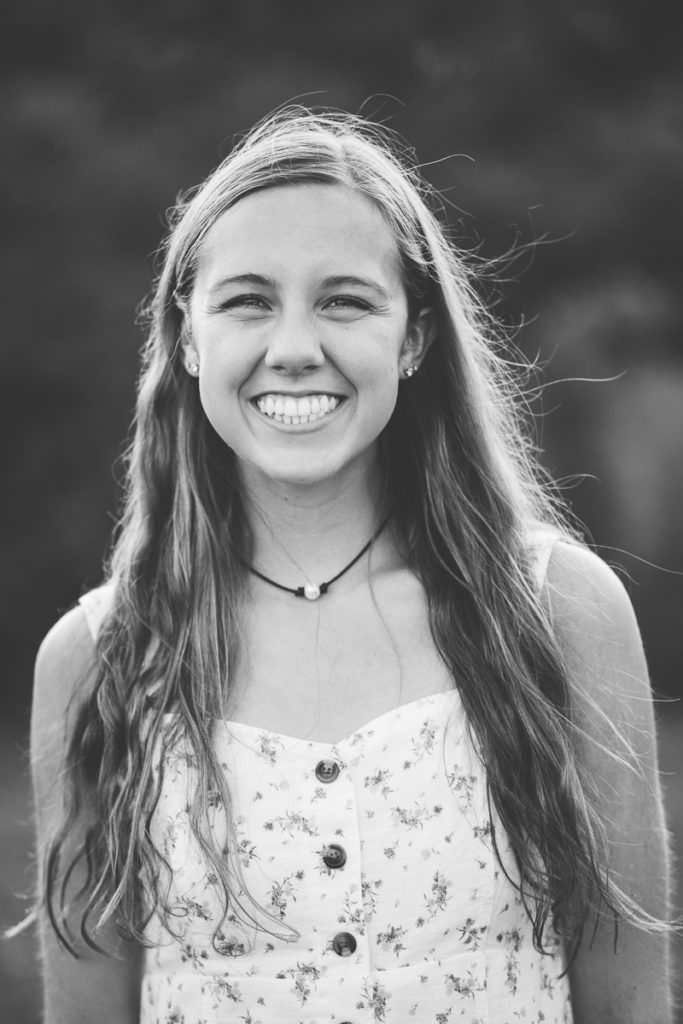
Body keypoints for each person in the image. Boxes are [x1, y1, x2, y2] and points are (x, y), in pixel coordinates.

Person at [31, 107, 672, 1024]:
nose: (294, 349)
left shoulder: (557, 613)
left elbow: (632, 1006)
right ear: (186, 338)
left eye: (344, 300)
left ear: (412, 338)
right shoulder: (98, 661)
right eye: (248, 300)